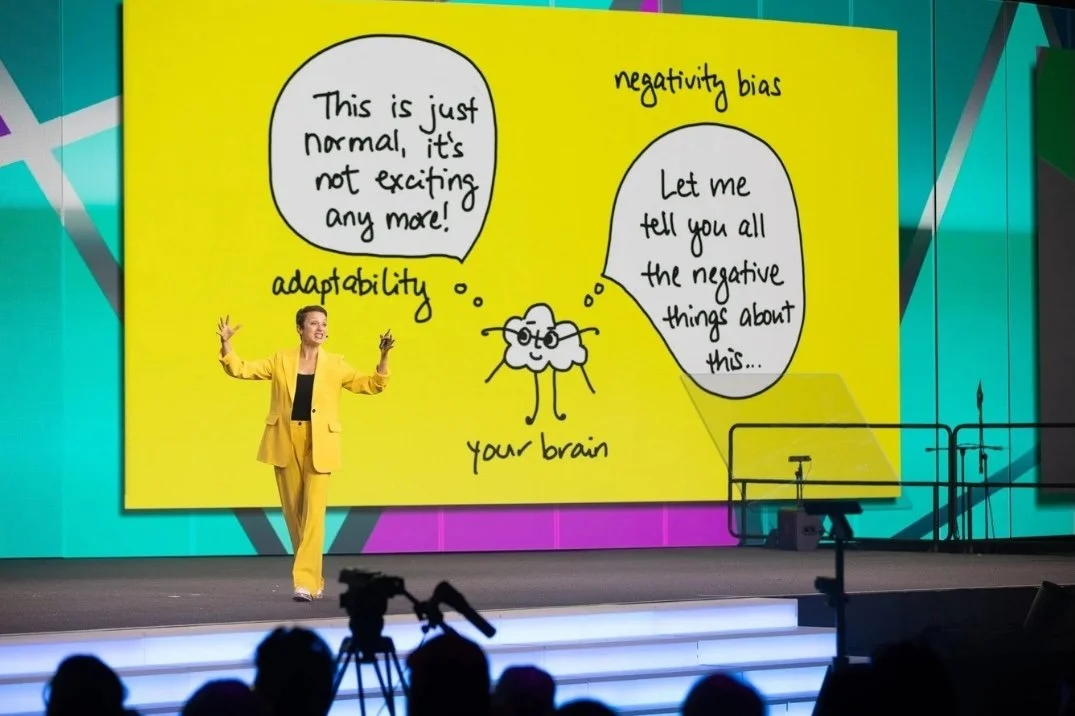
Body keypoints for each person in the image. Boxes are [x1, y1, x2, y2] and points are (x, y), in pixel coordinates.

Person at [217, 305, 394, 601]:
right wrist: (226, 344)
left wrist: (384, 356)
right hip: (285, 440)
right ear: (300, 328)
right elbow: (242, 369)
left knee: (314, 515)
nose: (321, 328)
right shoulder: (281, 359)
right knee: (294, 517)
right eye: (314, 323)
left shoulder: (336, 364)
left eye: (324, 323)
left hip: (320, 443)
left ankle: (304, 583)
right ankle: (314, 578)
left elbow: (372, 385)